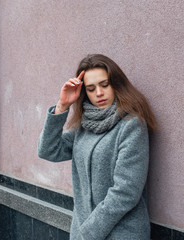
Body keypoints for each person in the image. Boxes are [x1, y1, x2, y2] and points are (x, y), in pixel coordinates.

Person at [38, 54, 157, 240]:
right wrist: (62, 106)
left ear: (116, 84)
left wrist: (87, 233)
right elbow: (48, 150)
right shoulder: (84, 125)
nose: (99, 93)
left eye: (104, 85)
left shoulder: (131, 125)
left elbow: (126, 191)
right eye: (91, 89)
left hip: (121, 234)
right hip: (84, 231)